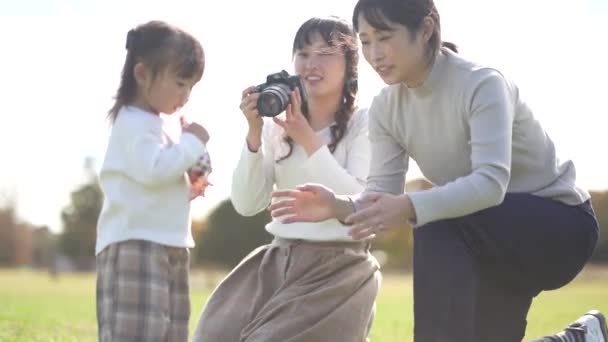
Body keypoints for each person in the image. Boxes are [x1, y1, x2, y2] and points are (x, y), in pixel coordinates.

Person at [268, 1, 600, 341]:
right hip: (480, 237)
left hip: (559, 229)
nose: (374, 53)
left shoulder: (482, 83)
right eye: (365, 41)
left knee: (436, 221)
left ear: (425, 30)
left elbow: (490, 183)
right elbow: (383, 197)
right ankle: (579, 338)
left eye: (384, 37)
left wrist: (412, 207)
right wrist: (338, 205)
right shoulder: (386, 107)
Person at [193, 16, 381, 342]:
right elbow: (247, 203)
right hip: (277, 259)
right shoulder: (275, 127)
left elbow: (361, 199)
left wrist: (309, 140)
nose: (312, 64)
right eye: (304, 53)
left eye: (325, 53)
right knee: (213, 334)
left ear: (350, 64)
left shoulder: (365, 122)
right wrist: (253, 134)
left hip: (340, 266)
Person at [95, 20, 209, 342]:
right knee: (136, 333)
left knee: (171, 331)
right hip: (136, 243)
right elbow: (153, 171)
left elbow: (166, 177)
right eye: (180, 83)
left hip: (170, 243)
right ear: (143, 74)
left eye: (191, 87)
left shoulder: (159, 124)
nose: (186, 95)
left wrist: (194, 178)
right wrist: (193, 143)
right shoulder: (132, 123)